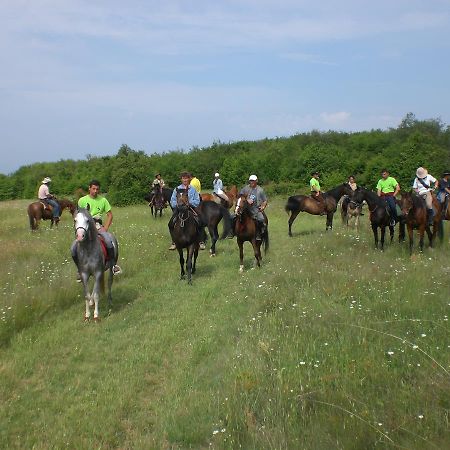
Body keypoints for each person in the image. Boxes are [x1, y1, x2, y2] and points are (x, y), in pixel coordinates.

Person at [72, 179, 122, 279]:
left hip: (98, 226)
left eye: (97, 189)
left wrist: (105, 228)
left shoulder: (103, 200)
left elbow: (110, 215)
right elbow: (78, 215)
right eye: (93, 189)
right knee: (74, 247)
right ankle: (79, 270)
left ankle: (113, 265)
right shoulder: (82, 200)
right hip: (85, 227)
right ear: (89, 188)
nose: (95, 191)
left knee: (109, 241)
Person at [168, 172, 205, 250]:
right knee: (171, 223)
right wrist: (177, 205)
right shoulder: (177, 189)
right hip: (179, 210)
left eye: (186, 178)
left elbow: (197, 200)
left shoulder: (193, 189)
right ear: (181, 179)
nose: (185, 180)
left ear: (189, 179)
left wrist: (190, 203)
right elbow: (172, 201)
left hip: (190, 209)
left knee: (200, 221)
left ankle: (200, 241)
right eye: (183, 178)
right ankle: (174, 242)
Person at [237, 174, 268, 240]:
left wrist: (263, 206)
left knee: (261, 219)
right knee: (233, 216)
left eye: (253, 181)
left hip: (255, 208)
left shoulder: (260, 190)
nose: (251, 182)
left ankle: (259, 233)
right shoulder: (246, 188)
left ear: (256, 181)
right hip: (246, 207)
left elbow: (265, 200)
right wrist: (247, 199)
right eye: (250, 181)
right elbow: (240, 195)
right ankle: (232, 232)